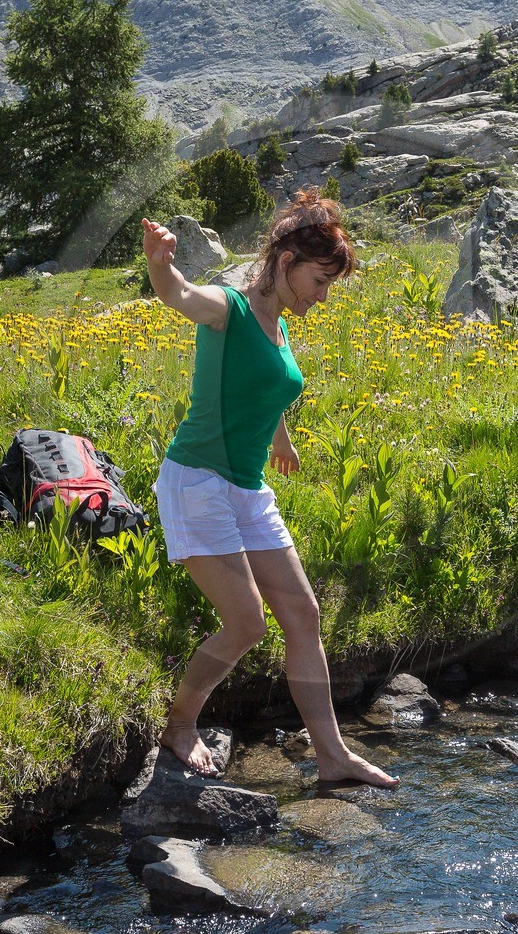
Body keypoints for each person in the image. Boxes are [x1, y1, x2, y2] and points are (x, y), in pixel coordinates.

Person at [142, 188, 399, 789]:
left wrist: (280, 439)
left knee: (303, 614)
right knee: (247, 624)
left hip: (247, 488)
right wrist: (160, 262)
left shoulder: (277, 324)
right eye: (319, 280)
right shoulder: (229, 309)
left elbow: (264, 386)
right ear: (286, 262)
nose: (323, 296)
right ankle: (180, 725)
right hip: (198, 483)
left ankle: (332, 755)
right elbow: (179, 295)